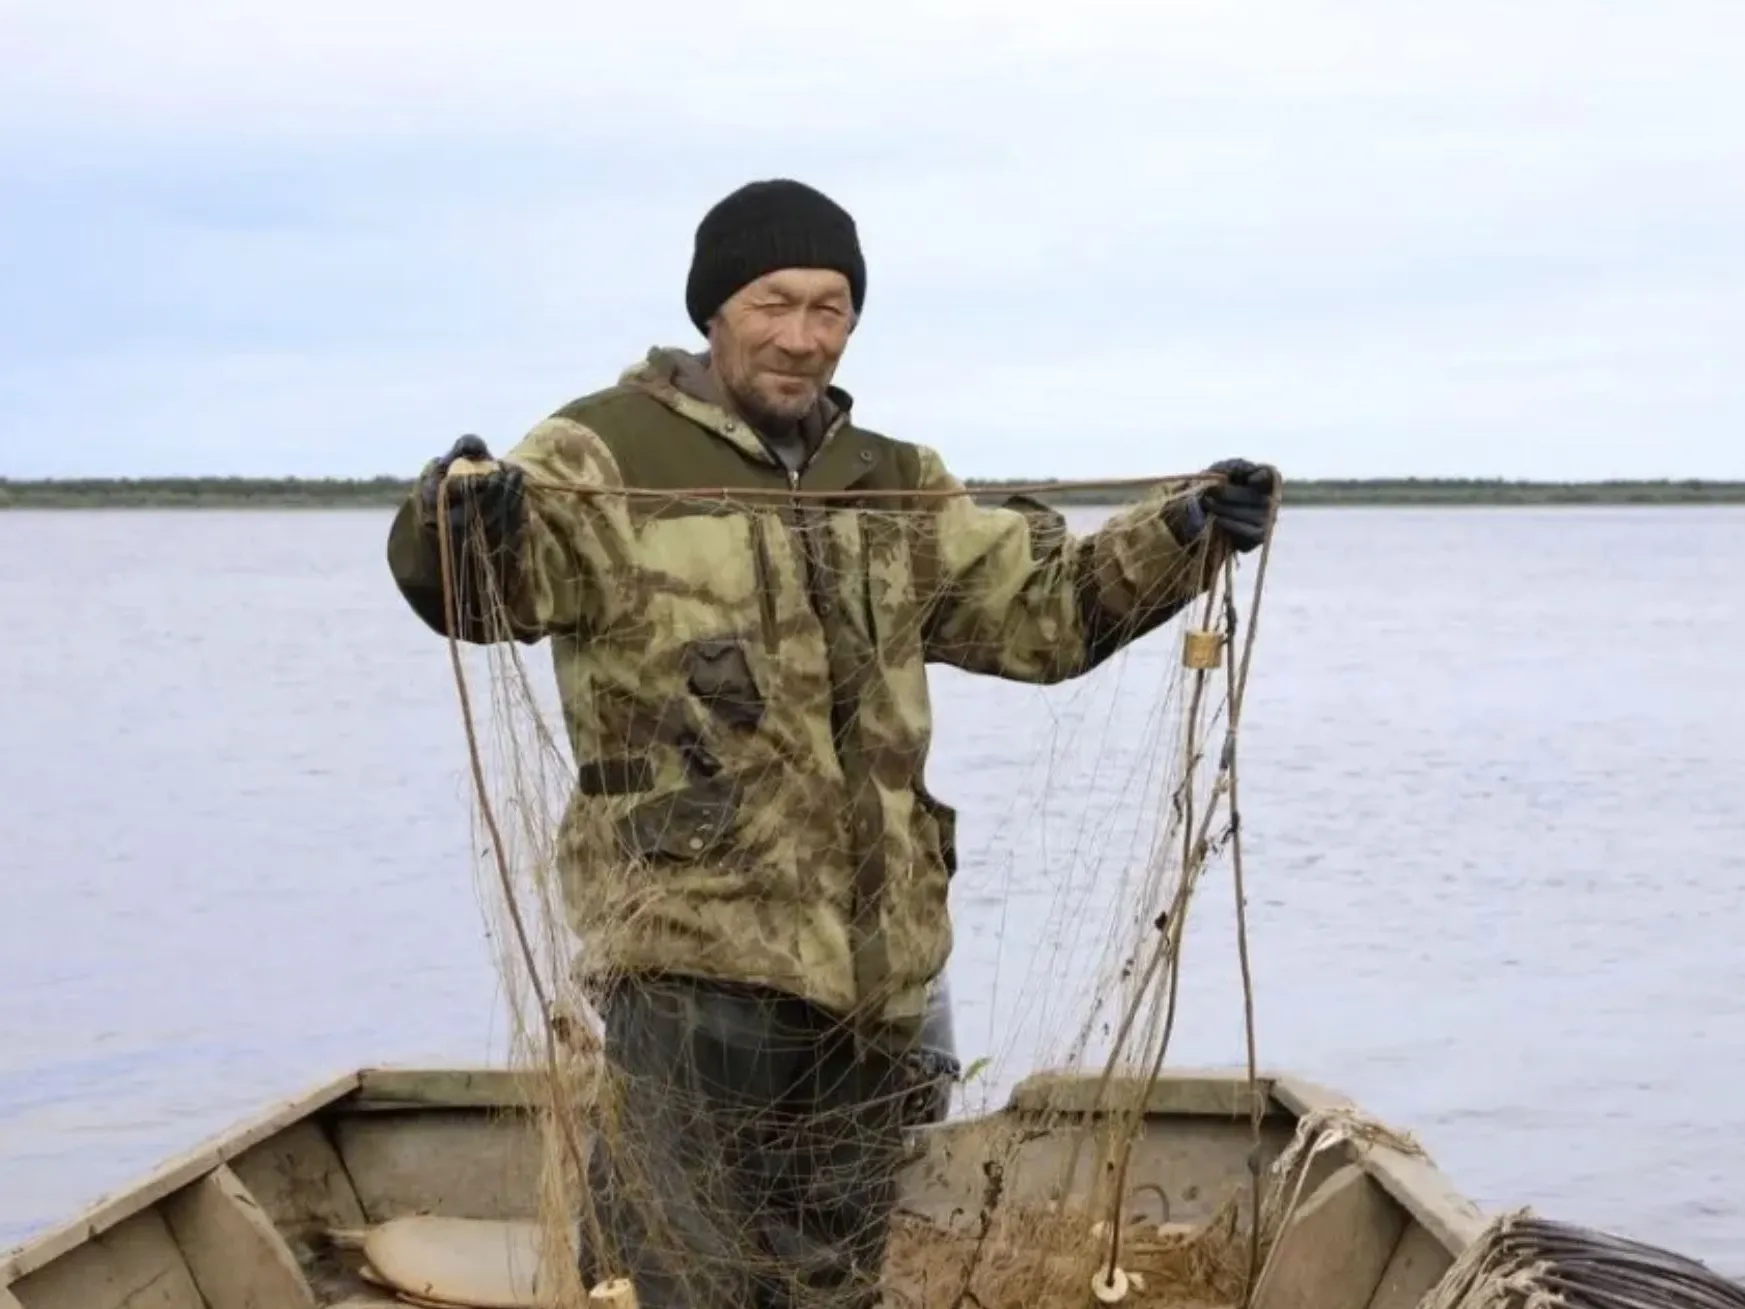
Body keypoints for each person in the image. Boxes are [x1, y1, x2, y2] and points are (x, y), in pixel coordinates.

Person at [384, 178, 1278, 1309]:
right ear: (714, 309)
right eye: (773, 303)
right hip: (694, 962)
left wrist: (1182, 532)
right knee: (680, 1277)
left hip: (878, 969)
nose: (801, 338)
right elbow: (487, 593)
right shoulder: (599, 451)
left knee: (834, 1283)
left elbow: (1042, 615)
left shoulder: (894, 478)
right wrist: (451, 521)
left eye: (830, 308)